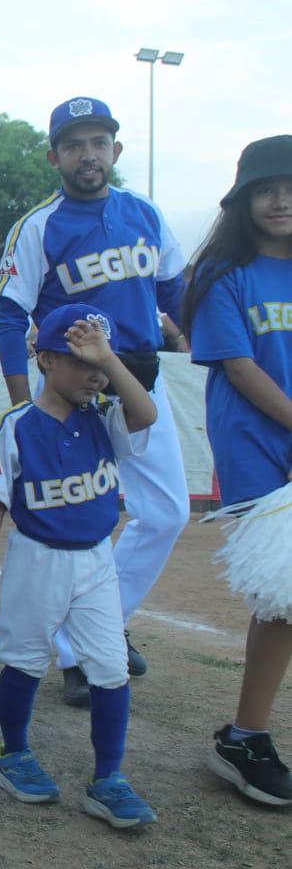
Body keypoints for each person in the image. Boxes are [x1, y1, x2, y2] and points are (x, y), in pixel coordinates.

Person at [0, 97, 189, 704]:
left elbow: (177, 290)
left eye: (100, 141)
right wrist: (26, 405)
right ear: (55, 156)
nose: (89, 154)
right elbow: (8, 316)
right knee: (65, 519)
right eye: (75, 144)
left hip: (135, 381)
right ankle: (79, 651)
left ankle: (93, 634)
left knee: (168, 512)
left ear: (116, 151)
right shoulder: (39, 225)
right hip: (71, 389)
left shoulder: (146, 214)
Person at [0, 304, 158, 829]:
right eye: (80, 360)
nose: (94, 374)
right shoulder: (18, 424)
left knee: (111, 667)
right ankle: (13, 753)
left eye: (101, 362)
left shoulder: (106, 418)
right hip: (37, 556)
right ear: (45, 359)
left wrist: (109, 359)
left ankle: (109, 777)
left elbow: (147, 414)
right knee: (25, 659)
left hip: (97, 559)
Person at [183, 134, 292, 806]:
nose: (281, 199)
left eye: (291, 187)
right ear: (243, 199)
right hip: (262, 450)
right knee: (284, 600)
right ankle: (245, 736)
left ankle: (245, 733)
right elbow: (239, 365)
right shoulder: (224, 273)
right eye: (265, 188)